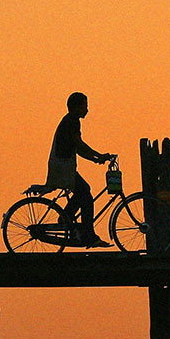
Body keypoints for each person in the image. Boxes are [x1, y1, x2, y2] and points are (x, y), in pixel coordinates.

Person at [47, 92, 115, 247]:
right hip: (63, 169)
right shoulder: (72, 121)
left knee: (83, 191)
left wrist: (95, 159)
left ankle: (66, 217)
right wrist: (99, 155)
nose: (87, 110)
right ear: (77, 107)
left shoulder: (70, 120)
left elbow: (77, 148)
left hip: (63, 167)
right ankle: (88, 235)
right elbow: (79, 144)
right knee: (86, 194)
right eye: (85, 106)